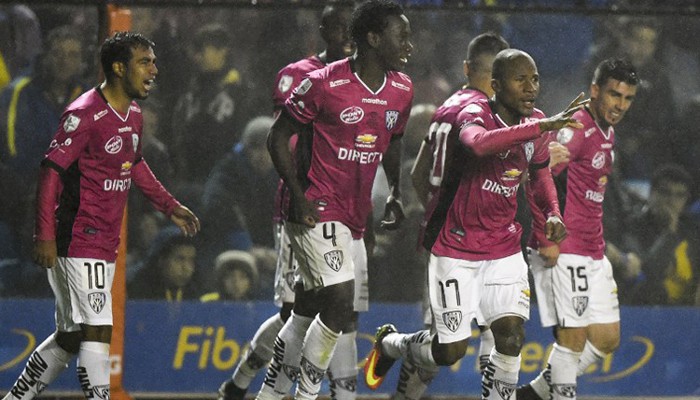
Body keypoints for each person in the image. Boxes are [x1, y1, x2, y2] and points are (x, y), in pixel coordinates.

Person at [365, 48, 586, 400]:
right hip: (456, 249)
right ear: (496, 86)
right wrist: (540, 126)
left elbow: (541, 175)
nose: (531, 88)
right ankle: (392, 344)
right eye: (520, 80)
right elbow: (478, 145)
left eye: (535, 79)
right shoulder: (473, 114)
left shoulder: (538, 123)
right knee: (449, 351)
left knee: (511, 337)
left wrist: (554, 213)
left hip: (503, 249)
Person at [1, 31, 200, 400]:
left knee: (70, 336)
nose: (154, 70)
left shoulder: (134, 115)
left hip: (104, 241)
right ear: (119, 67)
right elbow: (50, 173)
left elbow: (134, 165)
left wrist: (170, 206)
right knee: (98, 329)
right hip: (78, 236)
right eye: (145, 62)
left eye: (153, 61)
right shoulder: (83, 114)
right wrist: (43, 234)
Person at [258, 1, 413, 400]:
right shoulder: (324, 83)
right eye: (402, 35)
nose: (409, 44)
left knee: (306, 308)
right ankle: (307, 393)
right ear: (374, 39)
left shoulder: (402, 89)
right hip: (315, 207)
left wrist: (394, 190)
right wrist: (297, 195)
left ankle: (271, 394)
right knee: (340, 303)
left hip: (354, 216)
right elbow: (276, 137)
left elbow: (393, 141)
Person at [217, 3, 356, 399]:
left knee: (336, 309)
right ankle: (246, 382)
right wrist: (301, 195)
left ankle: (277, 389)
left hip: (346, 212)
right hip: (303, 209)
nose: (346, 36)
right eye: (339, 27)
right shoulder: (297, 76)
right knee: (293, 312)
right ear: (322, 29)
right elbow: (288, 138)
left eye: (353, 28)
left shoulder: (368, 81)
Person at [382, 32, 510, 400]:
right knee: (445, 345)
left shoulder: (445, 109)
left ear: (468, 68)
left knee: (494, 330)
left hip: (454, 240)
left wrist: (439, 216)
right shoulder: (485, 116)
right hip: (464, 245)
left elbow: (418, 175)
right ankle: (392, 350)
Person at [518, 58, 639, 400]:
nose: (620, 105)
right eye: (614, 95)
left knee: (606, 339)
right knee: (571, 341)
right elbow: (538, 178)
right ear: (596, 91)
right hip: (564, 249)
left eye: (628, 98)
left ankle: (533, 394)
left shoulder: (607, 130)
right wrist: (546, 237)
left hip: (592, 250)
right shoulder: (577, 128)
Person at [0, 25, 85, 265]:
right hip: (27, 183)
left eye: (72, 55)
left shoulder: (88, 96)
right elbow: (13, 149)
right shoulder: (19, 92)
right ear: (45, 55)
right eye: (58, 54)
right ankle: (34, 274)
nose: (64, 62)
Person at [618, 164, 699, 306]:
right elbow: (646, 273)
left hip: (688, 311)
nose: (671, 200)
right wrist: (669, 234)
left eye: (679, 195)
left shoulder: (692, 230)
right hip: (647, 310)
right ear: (651, 194)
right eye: (665, 192)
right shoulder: (633, 226)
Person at [128, 226, 200, 301]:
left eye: (191, 261)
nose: (186, 268)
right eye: (180, 259)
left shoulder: (195, 291)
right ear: (161, 261)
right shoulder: (141, 292)